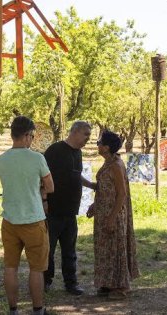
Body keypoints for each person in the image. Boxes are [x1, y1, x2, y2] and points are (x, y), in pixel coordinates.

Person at [0, 116, 54, 315]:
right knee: (36, 268)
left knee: (10, 266)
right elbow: (50, 186)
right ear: (28, 135)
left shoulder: (1, 159)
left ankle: (13, 309)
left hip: (9, 220)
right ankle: (38, 309)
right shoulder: (37, 158)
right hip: (33, 219)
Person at [43, 121, 94, 295]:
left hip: (70, 212)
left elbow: (76, 175)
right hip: (53, 211)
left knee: (69, 250)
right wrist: (44, 201)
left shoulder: (78, 153)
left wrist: (91, 185)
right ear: (75, 132)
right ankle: (44, 281)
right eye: (86, 134)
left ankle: (71, 283)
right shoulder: (55, 151)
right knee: (47, 249)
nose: (88, 138)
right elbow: (42, 176)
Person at [87, 130, 139, 299]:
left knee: (115, 250)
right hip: (103, 212)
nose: (97, 145)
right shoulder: (109, 162)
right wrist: (95, 205)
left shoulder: (116, 165)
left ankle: (121, 287)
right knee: (105, 250)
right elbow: (105, 187)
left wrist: (111, 218)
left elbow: (122, 194)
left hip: (113, 214)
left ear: (106, 147)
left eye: (99, 143)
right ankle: (107, 284)